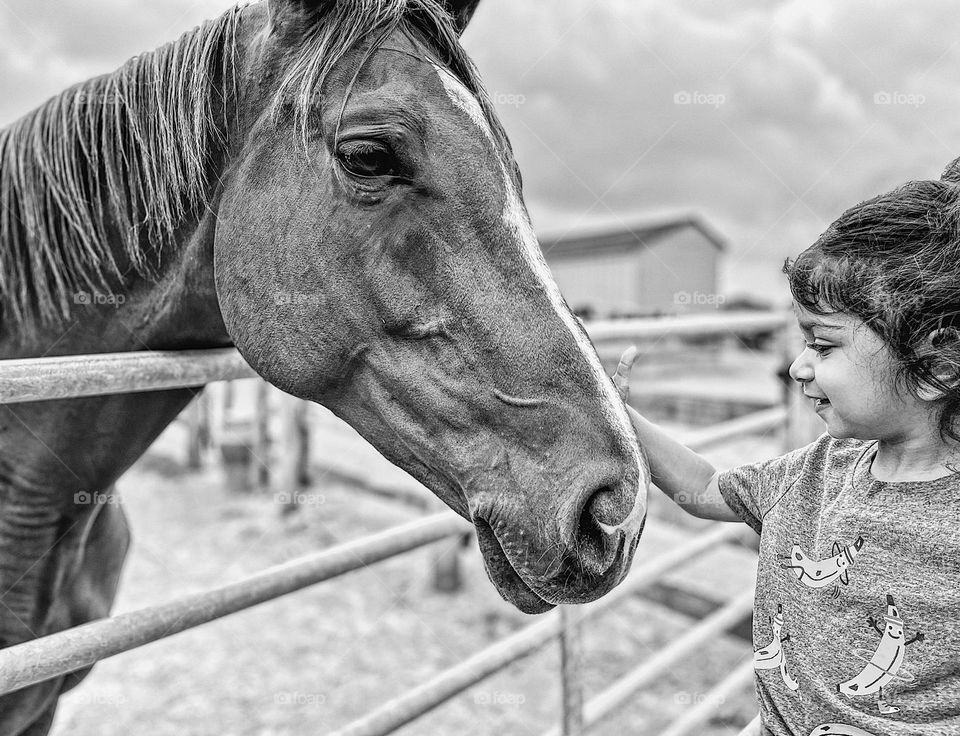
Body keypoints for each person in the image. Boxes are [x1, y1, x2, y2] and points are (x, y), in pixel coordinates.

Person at [613, 178, 960, 736]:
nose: (798, 366)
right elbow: (704, 489)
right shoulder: (815, 470)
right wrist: (620, 418)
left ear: (936, 368)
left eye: (823, 345)